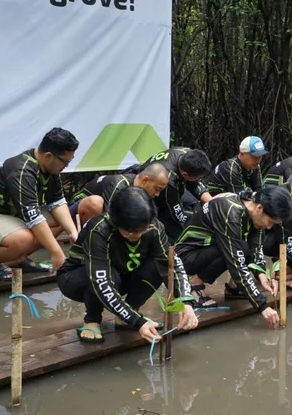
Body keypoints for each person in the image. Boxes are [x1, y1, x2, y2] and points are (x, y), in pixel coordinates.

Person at [57, 187, 198, 343]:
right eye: (130, 232)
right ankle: (92, 319)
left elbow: (172, 264)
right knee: (109, 276)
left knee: (158, 265)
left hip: (120, 274)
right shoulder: (99, 230)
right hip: (78, 278)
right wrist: (137, 321)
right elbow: (101, 282)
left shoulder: (154, 228)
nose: (135, 236)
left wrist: (185, 301)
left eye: (140, 231)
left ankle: (125, 315)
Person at [0, 128, 80, 280]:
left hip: (10, 217)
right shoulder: (22, 171)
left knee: (60, 221)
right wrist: (57, 253)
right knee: (24, 239)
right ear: (48, 156)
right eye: (66, 161)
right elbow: (33, 218)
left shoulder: (50, 169)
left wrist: (73, 232)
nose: (67, 166)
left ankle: (16, 259)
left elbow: (57, 203)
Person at [175, 186, 292, 329]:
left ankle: (233, 288)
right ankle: (194, 286)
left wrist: (262, 276)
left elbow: (256, 246)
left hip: (209, 249)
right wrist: (262, 305)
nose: (269, 227)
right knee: (238, 250)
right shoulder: (230, 212)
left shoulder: (252, 208)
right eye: (270, 222)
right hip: (185, 257)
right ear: (260, 208)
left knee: (241, 248)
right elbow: (235, 262)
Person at [134, 147, 213, 242]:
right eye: (197, 178)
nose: (199, 180)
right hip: (149, 194)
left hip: (165, 185)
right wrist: (203, 217)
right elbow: (178, 215)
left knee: (193, 202)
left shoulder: (186, 153)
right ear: (185, 174)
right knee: (177, 232)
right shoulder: (169, 182)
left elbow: (193, 183)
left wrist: (212, 202)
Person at [68, 163, 170, 225]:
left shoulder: (143, 192)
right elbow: (110, 217)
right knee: (96, 203)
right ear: (144, 180)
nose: (157, 194)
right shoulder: (118, 185)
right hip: (77, 207)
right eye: (157, 189)